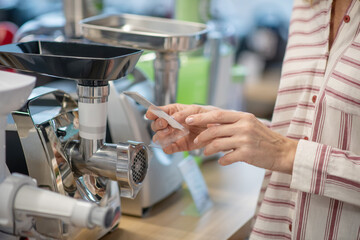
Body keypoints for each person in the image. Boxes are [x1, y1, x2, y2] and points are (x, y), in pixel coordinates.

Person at [146, 0, 360, 239]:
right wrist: (225, 129)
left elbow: (291, 152)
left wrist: (286, 153)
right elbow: (307, 132)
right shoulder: (307, 6)